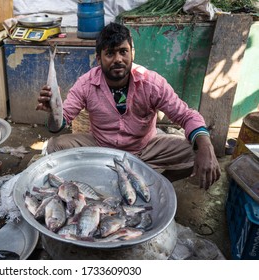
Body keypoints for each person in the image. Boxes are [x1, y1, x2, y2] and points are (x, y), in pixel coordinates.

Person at [36, 22, 221, 190]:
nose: (118, 59)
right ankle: (93, 182)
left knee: (196, 151)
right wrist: (54, 112)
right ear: (99, 59)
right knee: (55, 147)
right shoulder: (86, 84)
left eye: (123, 51)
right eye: (110, 53)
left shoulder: (151, 82)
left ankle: (156, 185)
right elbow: (58, 125)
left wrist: (207, 146)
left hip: (146, 148)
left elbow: (186, 115)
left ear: (132, 53)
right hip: (101, 148)